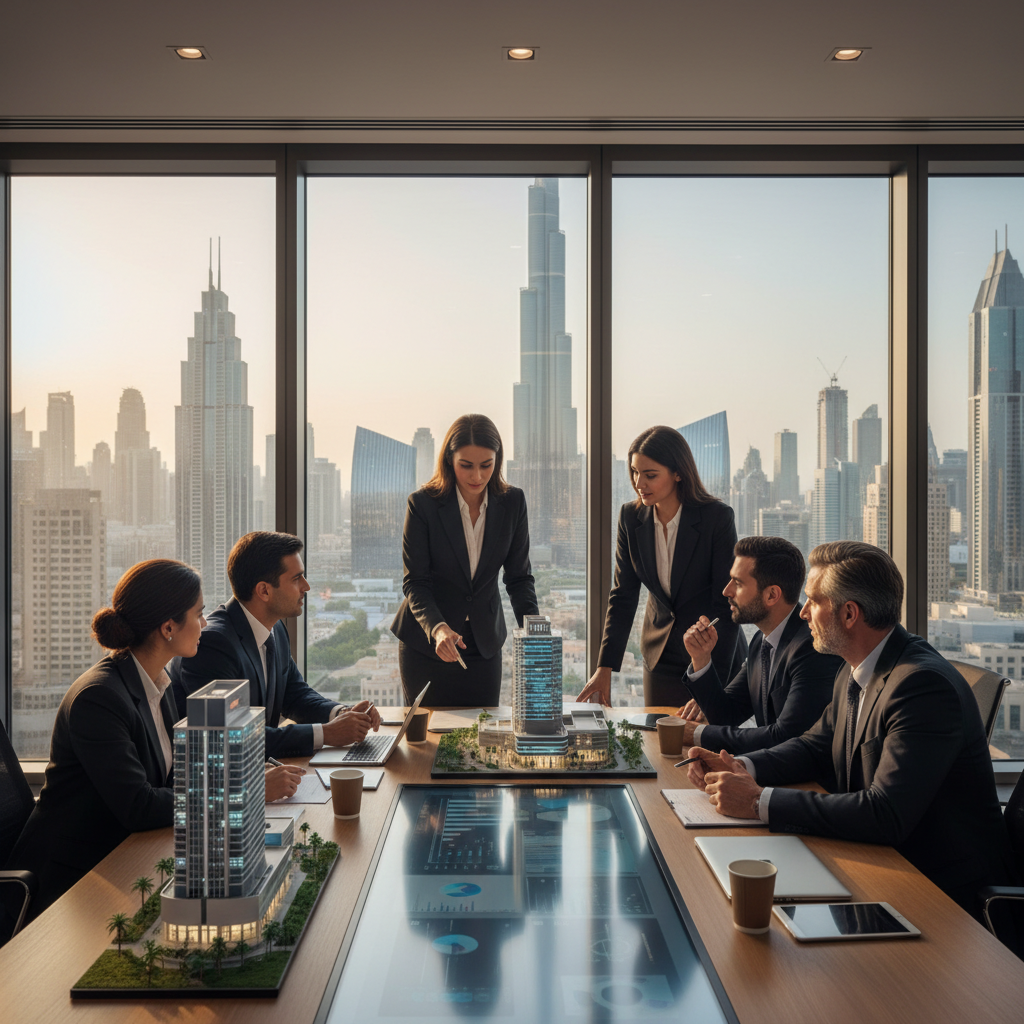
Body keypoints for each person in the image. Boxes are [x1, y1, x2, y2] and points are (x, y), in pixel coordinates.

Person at [687, 541, 1015, 915]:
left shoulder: (921, 686)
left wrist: (756, 801)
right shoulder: (855, 667)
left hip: (945, 897)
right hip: (882, 865)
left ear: (848, 614)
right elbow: (813, 746)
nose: (803, 613)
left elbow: (885, 814)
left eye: (812, 601)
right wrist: (742, 767)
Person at [6, 559, 305, 920]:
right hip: (72, 882)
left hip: (128, 855)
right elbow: (139, 805)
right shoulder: (99, 699)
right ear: (168, 627)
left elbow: (173, 777)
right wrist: (247, 790)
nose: (205, 624)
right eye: (198, 614)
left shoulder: (156, 683)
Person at [577, 425, 746, 707]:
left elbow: (727, 605)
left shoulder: (716, 518)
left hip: (711, 653)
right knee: (659, 743)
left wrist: (712, 684)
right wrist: (604, 667)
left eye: (650, 475)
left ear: (678, 473)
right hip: (660, 656)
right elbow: (623, 595)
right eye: (634, 472)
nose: (639, 483)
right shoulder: (631, 518)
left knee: (705, 744)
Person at [177, 532, 381, 759]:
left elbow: (294, 695)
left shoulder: (275, 629)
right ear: (264, 590)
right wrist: (326, 734)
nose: (307, 586)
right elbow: (234, 738)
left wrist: (341, 713)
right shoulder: (214, 645)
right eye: (296, 579)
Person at [391, 413, 538, 705]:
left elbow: (519, 579)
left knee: (482, 739)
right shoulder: (422, 505)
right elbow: (416, 583)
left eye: (486, 465)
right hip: (428, 644)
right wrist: (438, 628)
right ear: (449, 460)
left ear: (498, 460)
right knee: (427, 742)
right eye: (466, 466)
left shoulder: (512, 503)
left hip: (484, 645)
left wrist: (536, 632)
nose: (477, 476)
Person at [672, 536, 842, 754]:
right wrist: (701, 658)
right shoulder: (761, 642)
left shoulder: (812, 648)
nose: (727, 591)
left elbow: (786, 737)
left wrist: (697, 734)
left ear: (772, 595)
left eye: (738, 583)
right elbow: (727, 714)